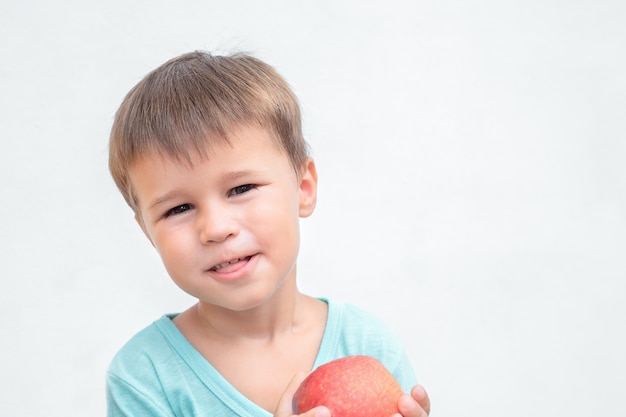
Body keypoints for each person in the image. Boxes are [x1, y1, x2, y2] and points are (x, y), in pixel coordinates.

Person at [106, 50, 430, 417]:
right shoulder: (145, 379)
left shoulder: (369, 345)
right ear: (148, 232)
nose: (215, 228)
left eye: (241, 189)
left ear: (303, 188)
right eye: (178, 209)